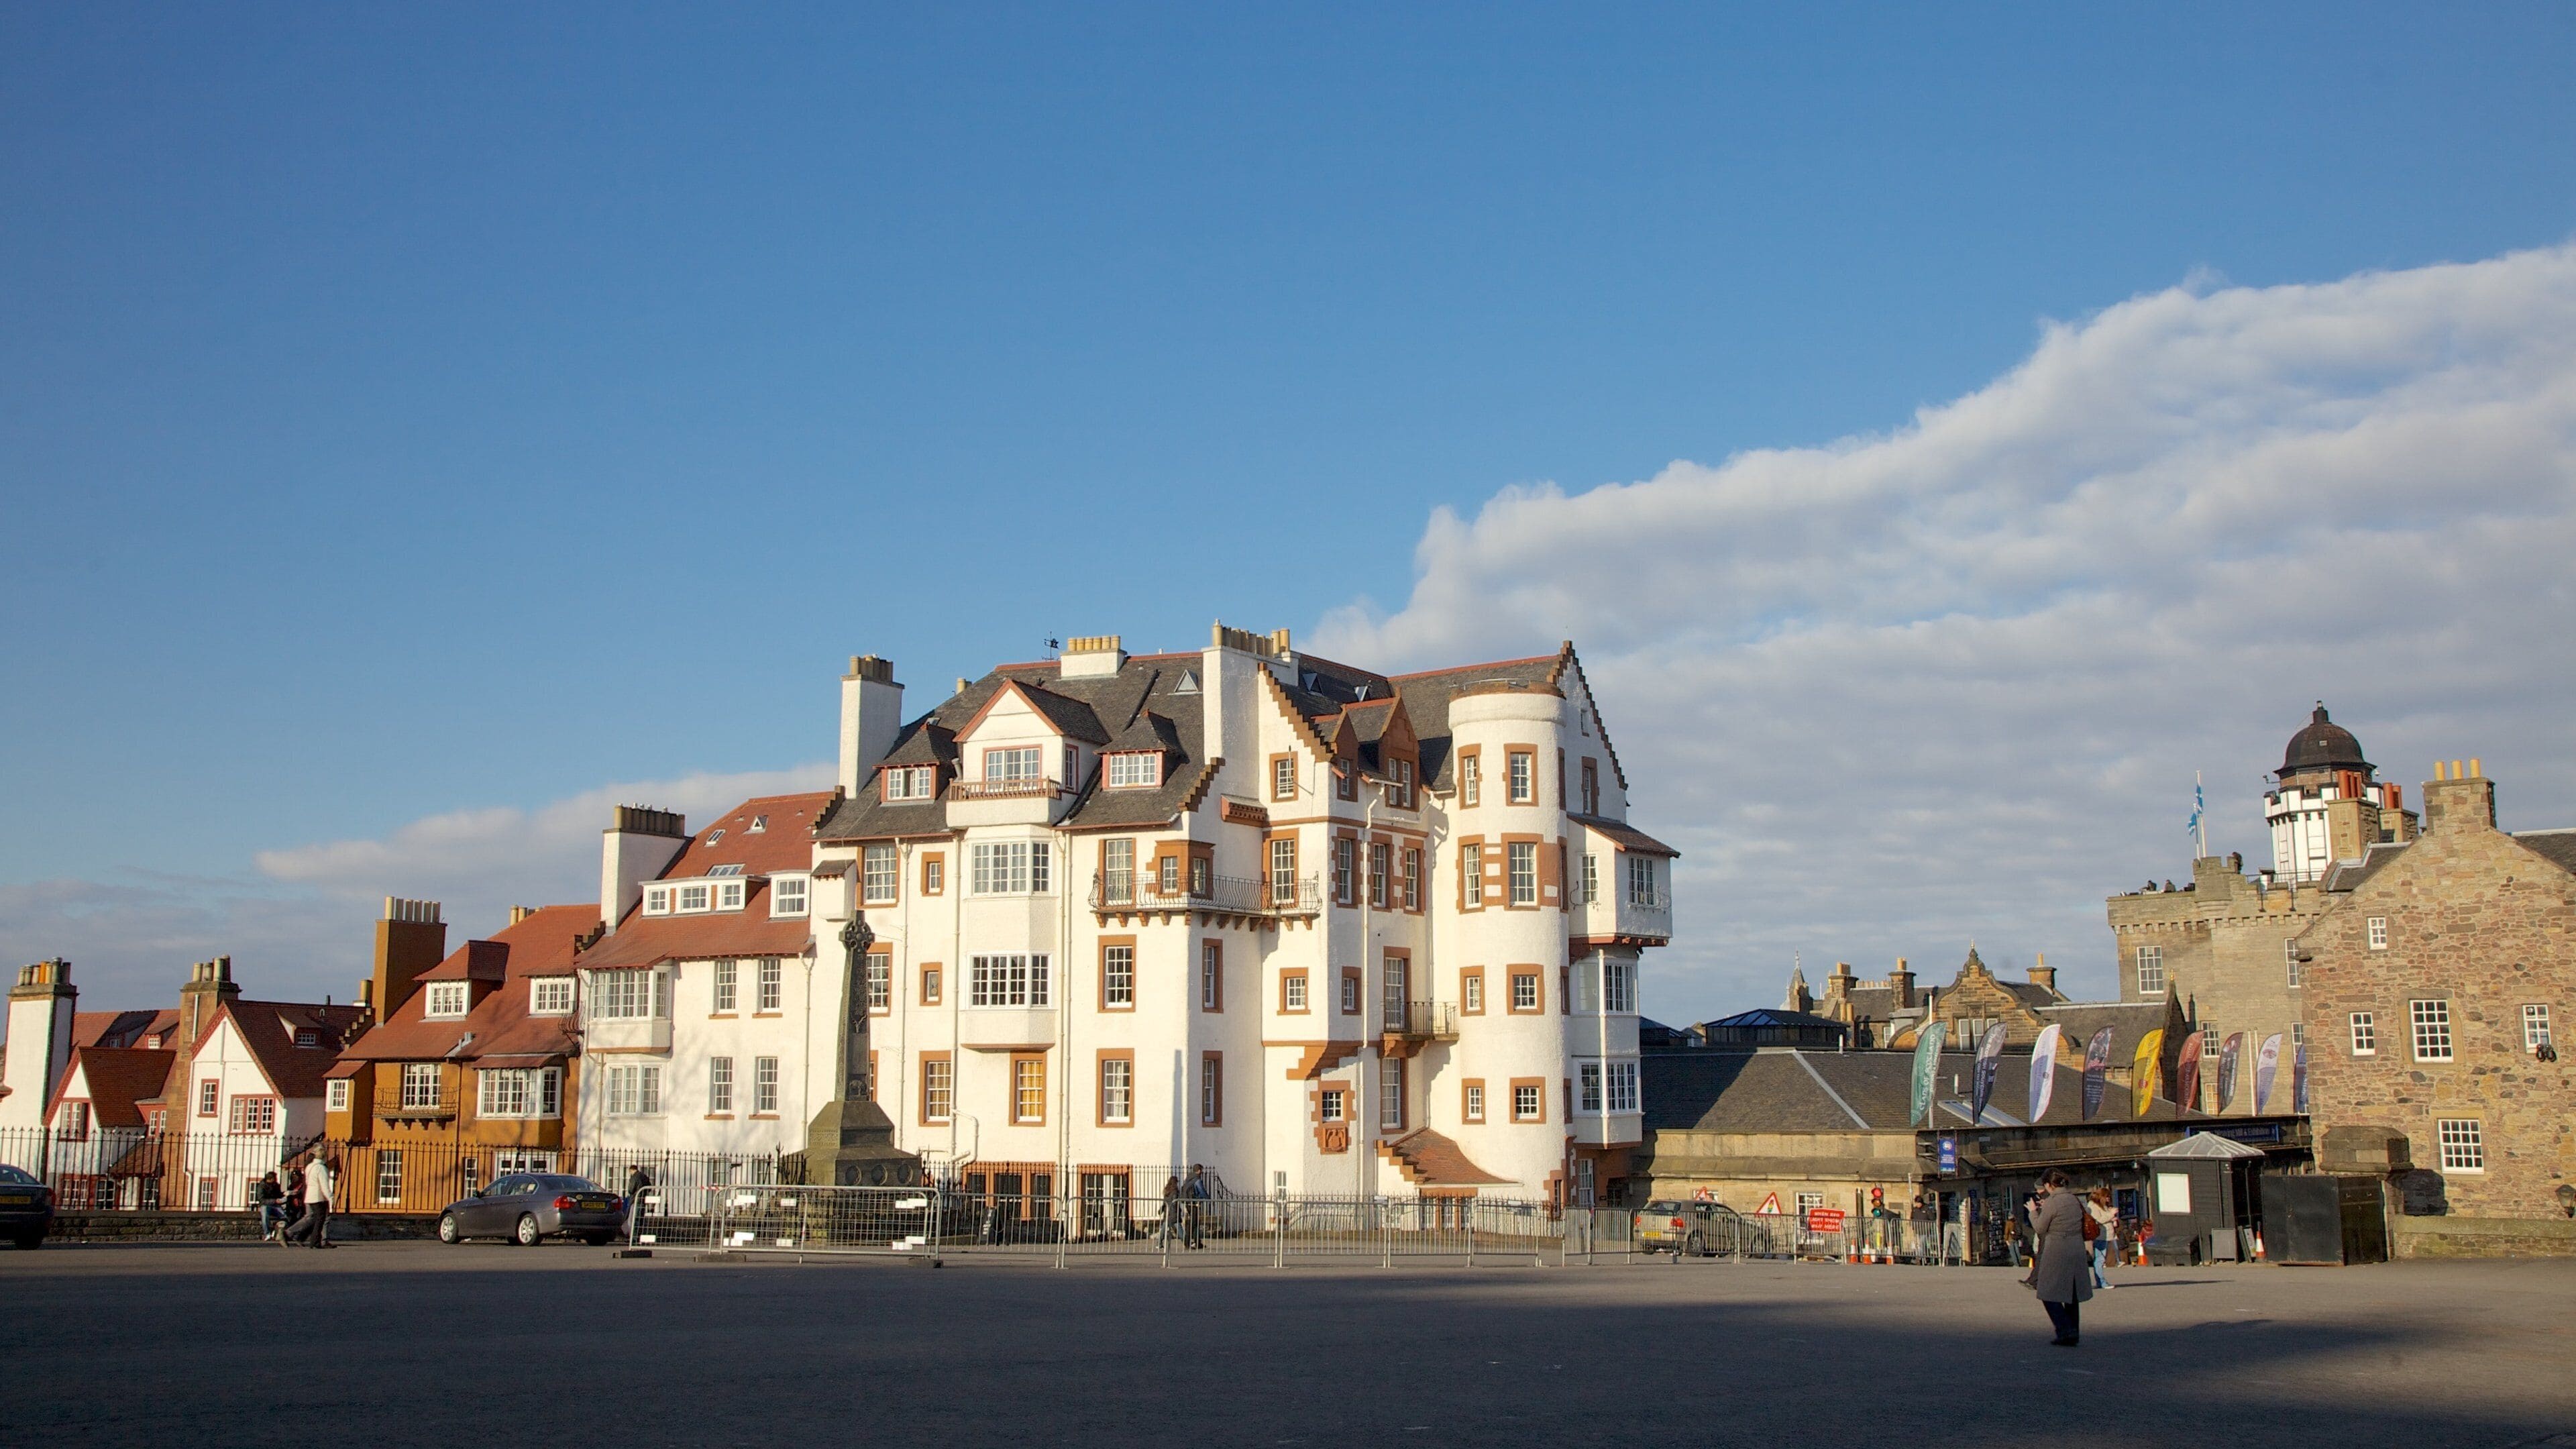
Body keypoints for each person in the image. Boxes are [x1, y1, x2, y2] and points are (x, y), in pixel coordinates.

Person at [2029, 1169, 2093, 1346]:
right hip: (2076, 1248)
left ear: (2049, 1185)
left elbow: (2040, 1228)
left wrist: (2034, 1212)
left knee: (2047, 1292)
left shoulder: (2052, 1202)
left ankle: (2065, 1329)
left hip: (2057, 1248)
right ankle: (2074, 1332)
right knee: (2072, 1294)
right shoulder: (2073, 1199)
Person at [287, 1155, 335, 1248]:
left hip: (308, 1196)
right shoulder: (319, 1167)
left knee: (312, 1218)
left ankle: (300, 1236)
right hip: (317, 1197)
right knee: (320, 1218)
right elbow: (323, 1185)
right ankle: (292, 1233)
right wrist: (329, 1196)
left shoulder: (309, 1168)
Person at [2085, 1187, 2117, 1290]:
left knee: (2100, 1260)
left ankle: (2100, 1282)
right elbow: (2098, 1220)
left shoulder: (2103, 1206)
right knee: (2099, 1260)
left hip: (2106, 1235)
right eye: (2107, 1197)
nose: (2109, 1199)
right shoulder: (2094, 1206)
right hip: (2100, 1236)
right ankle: (2102, 1282)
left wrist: (2113, 1218)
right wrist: (2110, 1214)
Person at [625, 1164, 654, 1244]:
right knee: (640, 1220)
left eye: (630, 1172)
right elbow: (650, 1187)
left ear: (632, 1170)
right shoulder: (644, 1177)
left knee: (632, 1220)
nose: (630, 1173)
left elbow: (631, 1190)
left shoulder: (634, 1177)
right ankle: (639, 1238)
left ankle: (633, 1238)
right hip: (643, 1200)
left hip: (635, 1200)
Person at [1181, 1164, 1209, 1250]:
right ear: (1199, 1170)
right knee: (1193, 1224)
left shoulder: (1188, 1179)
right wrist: (1208, 1198)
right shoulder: (1197, 1180)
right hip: (1194, 1204)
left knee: (1195, 1223)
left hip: (1188, 1203)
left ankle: (1197, 1242)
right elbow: (1201, 1191)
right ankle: (1187, 1243)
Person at [255, 1171, 286, 1241]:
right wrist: (275, 1201)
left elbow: (279, 1195)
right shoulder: (261, 1186)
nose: (276, 1180)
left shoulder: (276, 1185)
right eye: (274, 1178)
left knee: (284, 1216)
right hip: (265, 1205)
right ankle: (267, 1234)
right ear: (270, 1179)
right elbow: (262, 1200)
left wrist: (284, 1195)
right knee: (265, 1215)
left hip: (275, 1205)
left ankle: (277, 1231)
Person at [1159, 1175, 1181, 1248]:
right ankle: (1186, 1242)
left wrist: (1162, 1210)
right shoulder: (1175, 1191)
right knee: (1179, 1228)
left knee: (1164, 1227)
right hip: (1173, 1212)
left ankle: (1159, 1242)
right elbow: (1174, 1203)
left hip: (1167, 1211)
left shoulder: (1167, 1190)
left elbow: (1164, 1202)